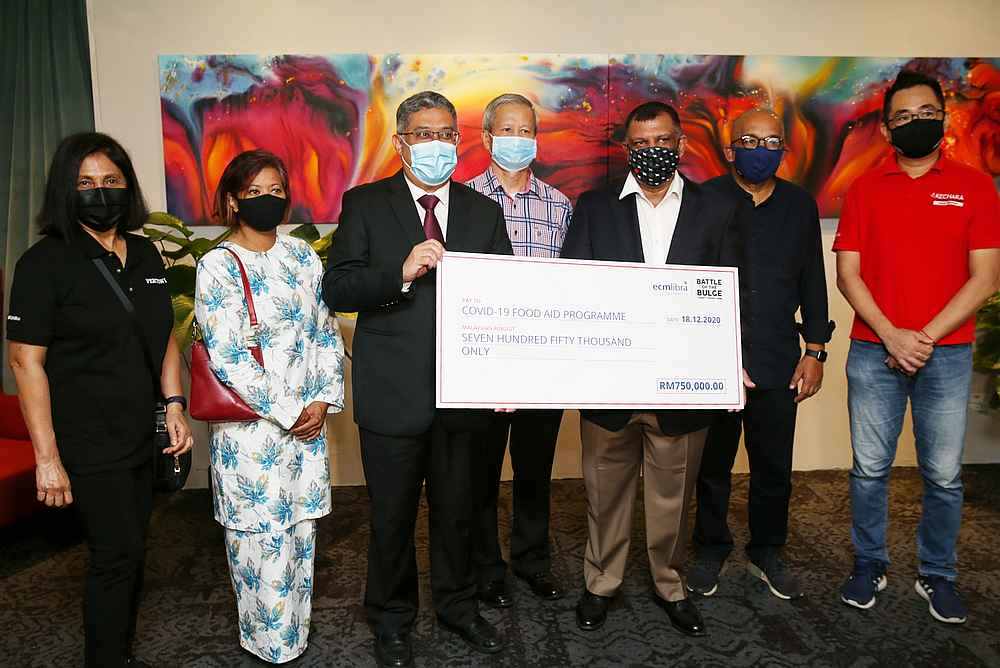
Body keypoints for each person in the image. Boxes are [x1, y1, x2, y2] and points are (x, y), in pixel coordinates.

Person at [323, 91, 513, 667]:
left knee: (459, 511)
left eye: (447, 134)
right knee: (392, 517)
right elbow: (339, 287)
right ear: (401, 142)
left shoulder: (483, 211)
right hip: (393, 394)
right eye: (424, 134)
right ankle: (391, 617)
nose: (437, 144)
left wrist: (503, 375)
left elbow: (504, 300)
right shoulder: (365, 204)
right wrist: (399, 272)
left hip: (464, 396)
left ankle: (457, 607)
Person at [6, 132, 194, 668]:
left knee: (132, 551)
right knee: (116, 556)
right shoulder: (45, 263)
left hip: (141, 432)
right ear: (66, 190)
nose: (100, 192)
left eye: (110, 181)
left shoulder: (145, 252)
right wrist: (47, 458)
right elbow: (26, 361)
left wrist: (174, 403)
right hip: (86, 437)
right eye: (85, 183)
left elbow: (162, 333)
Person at [561, 101, 744, 637]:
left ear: (681, 145)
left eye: (662, 142)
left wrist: (734, 364)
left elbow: (736, 291)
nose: (652, 153)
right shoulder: (595, 207)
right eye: (640, 145)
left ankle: (669, 582)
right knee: (605, 491)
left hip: (683, 386)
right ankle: (601, 583)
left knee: (672, 494)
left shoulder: (716, 208)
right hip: (610, 386)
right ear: (627, 149)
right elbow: (574, 287)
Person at [834, 69, 1000, 624]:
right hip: (872, 351)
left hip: (945, 355)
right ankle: (869, 564)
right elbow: (849, 275)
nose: (915, 124)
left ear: (943, 116)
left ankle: (938, 573)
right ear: (886, 128)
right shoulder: (864, 188)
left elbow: (985, 277)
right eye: (902, 117)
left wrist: (923, 338)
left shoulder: (976, 186)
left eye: (925, 113)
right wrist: (892, 335)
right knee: (870, 470)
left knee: (945, 475)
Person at [194, 150, 345, 662]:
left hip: (308, 425)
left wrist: (322, 398)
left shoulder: (302, 256)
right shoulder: (216, 265)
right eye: (254, 192)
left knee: (301, 534)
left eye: (276, 190)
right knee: (259, 541)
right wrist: (288, 410)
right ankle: (268, 645)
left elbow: (325, 331)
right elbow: (228, 358)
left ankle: (295, 637)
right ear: (234, 200)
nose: (267, 200)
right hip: (252, 434)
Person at [688, 109, 833, 601]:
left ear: (783, 149)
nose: (761, 149)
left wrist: (816, 351)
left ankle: (767, 549)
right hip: (715, 359)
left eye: (772, 141)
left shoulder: (799, 205)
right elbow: (687, 283)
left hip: (777, 357)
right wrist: (708, 352)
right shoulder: (702, 200)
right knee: (712, 464)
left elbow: (814, 277)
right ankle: (710, 545)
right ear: (730, 150)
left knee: (774, 464)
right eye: (749, 140)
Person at [465, 93, 572, 607]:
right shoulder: (460, 201)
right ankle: (486, 568)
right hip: (482, 366)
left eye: (526, 130)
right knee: (479, 473)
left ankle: (532, 560)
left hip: (542, 366)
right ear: (487, 138)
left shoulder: (560, 206)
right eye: (506, 130)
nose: (517, 139)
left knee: (535, 470)